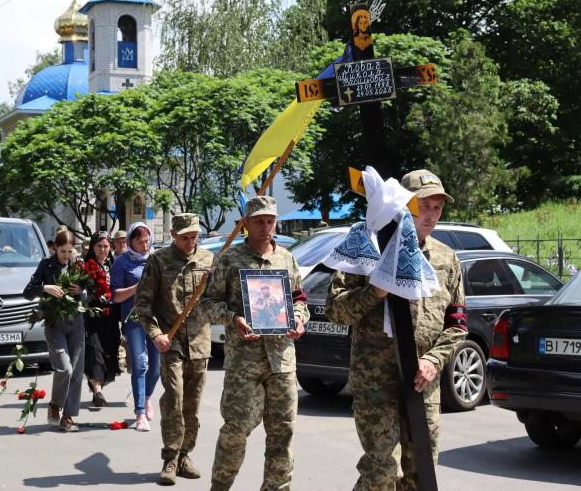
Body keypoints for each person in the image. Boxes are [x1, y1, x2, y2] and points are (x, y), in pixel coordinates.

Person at [325, 169, 467, 490]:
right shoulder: (367, 244)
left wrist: (433, 360)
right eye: (423, 206)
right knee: (380, 471)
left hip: (421, 383)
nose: (431, 215)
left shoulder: (446, 259)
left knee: (422, 471)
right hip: (375, 380)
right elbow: (335, 310)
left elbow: (457, 324)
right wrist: (374, 292)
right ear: (403, 205)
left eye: (437, 207)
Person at [200, 196, 308, 491]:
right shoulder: (230, 259)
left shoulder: (286, 259)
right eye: (258, 220)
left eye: (270, 220)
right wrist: (234, 318)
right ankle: (220, 486)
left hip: (282, 360)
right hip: (244, 362)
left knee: (282, 434)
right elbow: (206, 304)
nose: (265, 226)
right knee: (235, 430)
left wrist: (299, 319)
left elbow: (299, 298)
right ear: (245, 224)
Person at [133, 213, 214, 485]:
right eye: (185, 237)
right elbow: (142, 304)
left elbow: (219, 297)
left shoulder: (208, 260)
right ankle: (169, 457)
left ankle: (185, 456)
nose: (191, 242)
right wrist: (155, 334)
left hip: (200, 343)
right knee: (175, 399)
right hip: (172, 341)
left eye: (194, 237)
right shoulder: (159, 261)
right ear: (173, 235)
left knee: (192, 405)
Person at [23, 229, 85, 432]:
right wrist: (45, 288)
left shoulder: (79, 265)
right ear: (55, 248)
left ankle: (68, 416)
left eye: (70, 251)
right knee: (64, 368)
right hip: (53, 323)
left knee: (76, 372)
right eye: (63, 251)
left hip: (75, 322)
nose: (66, 256)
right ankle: (54, 405)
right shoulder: (46, 265)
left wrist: (82, 292)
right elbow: (27, 292)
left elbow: (93, 294)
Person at [111, 222, 160, 432]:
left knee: (157, 367)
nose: (145, 245)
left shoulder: (156, 259)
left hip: (156, 320)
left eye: (147, 240)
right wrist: (136, 288)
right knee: (140, 363)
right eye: (140, 241)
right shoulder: (121, 263)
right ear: (130, 242)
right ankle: (140, 412)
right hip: (133, 319)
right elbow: (115, 296)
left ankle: (146, 396)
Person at [83, 231, 120, 407]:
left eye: (106, 246)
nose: (103, 250)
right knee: (94, 351)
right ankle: (98, 392)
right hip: (92, 315)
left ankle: (97, 387)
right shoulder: (85, 266)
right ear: (93, 247)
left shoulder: (114, 265)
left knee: (107, 352)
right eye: (99, 246)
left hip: (110, 316)